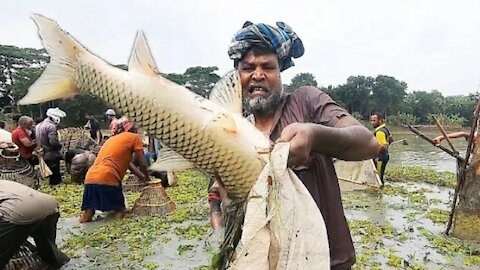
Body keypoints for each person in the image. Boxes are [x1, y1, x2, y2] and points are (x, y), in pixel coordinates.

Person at [218, 21, 379, 270]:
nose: (257, 75)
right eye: (248, 68)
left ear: (280, 71)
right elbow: (217, 192)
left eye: (267, 67)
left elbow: (367, 143)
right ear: (237, 75)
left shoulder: (306, 101)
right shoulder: (234, 128)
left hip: (324, 260)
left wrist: (315, 135)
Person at [79, 118, 150, 223]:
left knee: (88, 214)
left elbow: (130, 165)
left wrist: (142, 177)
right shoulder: (135, 138)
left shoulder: (113, 139)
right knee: (120, 211)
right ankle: (116, 234)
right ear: (133, 128)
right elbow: (143, 163)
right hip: (109, 177)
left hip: (91, 177)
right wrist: (147, 178)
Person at [0, 180, 70, 269]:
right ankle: (57, 263)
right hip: (49, 204)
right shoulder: (4, 183)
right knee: (47, 244)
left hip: (20, 210)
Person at [36, 108, 66, 185]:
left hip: (42, 152)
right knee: (55, 174)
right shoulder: (51, 126)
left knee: (51, 173)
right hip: (51, 153)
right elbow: (53, 142)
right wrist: (60, 146)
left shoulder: (39, 125)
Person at [370, 112, 392, 185]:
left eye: (374, 121)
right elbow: (391, 139)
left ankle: (380, 193)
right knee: (380, 176)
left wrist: (375, 155)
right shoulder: (385, 129)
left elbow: (383, 146)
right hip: (385, 156)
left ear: (380, 120)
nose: (372, 122)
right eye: (371, 120)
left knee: (378, 178)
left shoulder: (379, 132)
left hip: (380, 158)